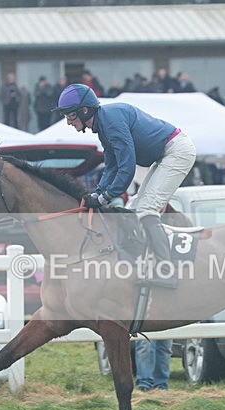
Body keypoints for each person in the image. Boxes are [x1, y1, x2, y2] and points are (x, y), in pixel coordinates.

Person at [54, 83, 197, 289]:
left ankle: (167, 272)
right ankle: (140, 266)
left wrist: (105, 197)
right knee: (132, 210)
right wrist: (97, 192)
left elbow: (127, 167)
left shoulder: (110, 122)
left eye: (70, 116)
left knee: (146, 209)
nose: (68, 122)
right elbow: (111, 165)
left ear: (84, 111)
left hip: (176, 152)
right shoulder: (103, 125)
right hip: (165, 154)